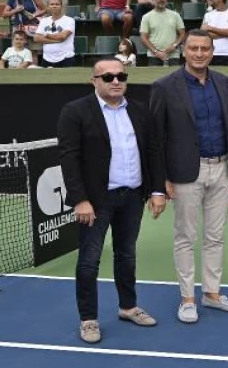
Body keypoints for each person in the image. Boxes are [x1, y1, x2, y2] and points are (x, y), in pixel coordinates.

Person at [58, 57, 165, 344]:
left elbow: (153, 152)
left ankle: (128, 307)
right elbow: (69, 159)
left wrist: (157, 191)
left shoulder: (140, 111)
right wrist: (80, 200)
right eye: (107, 77)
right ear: (94, 81)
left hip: (132, 196)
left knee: (126, 255)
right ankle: (89, 319)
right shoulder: (75, 111)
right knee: (89, 261)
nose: (115, 81)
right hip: (96, 201)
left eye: (120, 76)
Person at [149, 29, 228, 324]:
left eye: (205, 48)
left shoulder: (223, 82)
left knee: (215, 236)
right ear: (184, 51)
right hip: (185, 172)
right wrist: (160, 180)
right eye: (194, 48)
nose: (200, 53)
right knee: (186, 237)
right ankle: (188, 298)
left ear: (212, 52)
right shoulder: (164, 86)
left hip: (222, 168)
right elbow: (155, 138)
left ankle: (212, 294)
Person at [140, 0, 186, 67]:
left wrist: (174, 45)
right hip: (154, 56)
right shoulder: (146, 17)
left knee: (174, 79)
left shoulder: (175, 15)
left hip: (173, 56)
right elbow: (143, 37)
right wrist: (156, 52)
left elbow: (182, 34)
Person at [33, 0, 75, 68]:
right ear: (48, 7)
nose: (54, 6)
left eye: (57, 4)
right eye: (52, 4)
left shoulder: (69, 20)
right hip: (46, 58)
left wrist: (46, 35)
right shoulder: (44, 21)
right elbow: (36, 38)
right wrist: (57, 40)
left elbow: (63, 36)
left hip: (66, 57)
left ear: (61, 6)